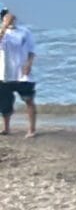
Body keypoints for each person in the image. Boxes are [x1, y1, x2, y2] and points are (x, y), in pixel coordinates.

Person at [2, 8, 38, 138]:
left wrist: (29, 64)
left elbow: (32, 50)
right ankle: (6, 128)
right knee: (5, 104)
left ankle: (32, 129)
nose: (11, 19)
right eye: (8, 17)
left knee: (29, 99)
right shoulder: (2, 32)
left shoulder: (24, 31)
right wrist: (4, 26)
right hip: (4, 74)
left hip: (22, 74)